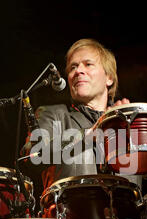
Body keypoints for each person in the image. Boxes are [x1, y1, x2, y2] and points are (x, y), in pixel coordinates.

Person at [22, 38, 139, 194]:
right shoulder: (53, 114)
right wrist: (89, 135)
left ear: (109, 77)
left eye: (88, 64)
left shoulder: (127, 120)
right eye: (73, 67)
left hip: (128, 214)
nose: (78, 71)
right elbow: (32, 155)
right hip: (73, 214)